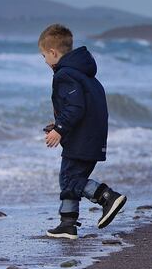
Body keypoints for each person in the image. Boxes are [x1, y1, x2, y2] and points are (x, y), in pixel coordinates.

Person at [39, 24, 127, 239]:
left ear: (53, 52)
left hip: (82, 139)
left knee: (70, 179)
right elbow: (83, 107)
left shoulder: (65, 75)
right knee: (70, 179)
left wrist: (60, 129)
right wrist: (59, 123)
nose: (44, 61)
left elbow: (75, 107)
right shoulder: (85, 75)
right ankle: (67, 224)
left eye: (44, 56)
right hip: (92, 137)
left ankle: (106, 196)